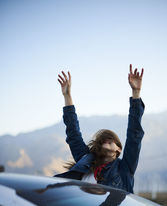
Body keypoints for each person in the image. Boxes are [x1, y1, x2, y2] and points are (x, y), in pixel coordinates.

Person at [54, 64, 145, 194]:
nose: (106, 140)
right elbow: (73, 133)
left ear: (119, 149)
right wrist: (67, 95)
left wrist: (136, 93)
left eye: (111, 140)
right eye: (103, 140)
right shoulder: (85, 159)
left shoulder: (124, 168)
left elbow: (134, 136)